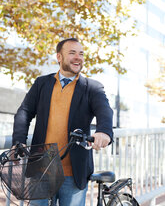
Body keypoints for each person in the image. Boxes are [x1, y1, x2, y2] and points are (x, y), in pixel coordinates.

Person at [12, 38, 113, 206]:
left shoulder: (92, 87)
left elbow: (105, 111)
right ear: (59, 57)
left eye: (80, 54)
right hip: (41, 169)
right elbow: (24, 112)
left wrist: (104, 131)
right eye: (72, 53)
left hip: (73, 173)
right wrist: (18, 141)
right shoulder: (42, 83)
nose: (77, 57)